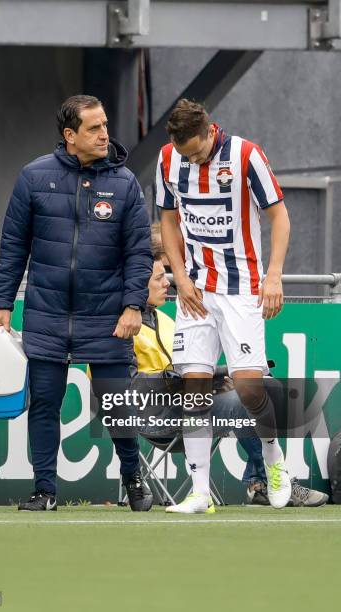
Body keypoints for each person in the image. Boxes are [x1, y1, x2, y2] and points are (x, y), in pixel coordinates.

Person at [0, 95, 153, 511]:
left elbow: (138, 252)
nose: (104, 134)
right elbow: (13, 245)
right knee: (44, 403)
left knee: (116, 404)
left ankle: (133, 478)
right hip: (46, 314)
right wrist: (3, 302)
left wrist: (134, 305)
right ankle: (44, 490)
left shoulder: (125, 183)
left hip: (108, 316)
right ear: (70, 135)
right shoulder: (33, 176)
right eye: (94, 128)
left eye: (105, 125)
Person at [157, 98, 292, 513]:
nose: (191, 160)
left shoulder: (246, 155)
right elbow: (167, 219)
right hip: (195, 290)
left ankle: (273, 460)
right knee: (193, 386)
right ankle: (199, 492)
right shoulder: (167, 159)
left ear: (210, 131)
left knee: (249, 387)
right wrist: (179, 277)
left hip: (242, 288)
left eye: (196, 152)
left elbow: (280, 217)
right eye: (184, 154)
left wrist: (273, 277)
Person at [136, 230, 328, 509]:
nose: (169, 283)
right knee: (242, 400)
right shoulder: (125, 326)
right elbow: (129, 385)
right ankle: (261, 481)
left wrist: (215, 380)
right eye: (160, 277)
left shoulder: (166, 319)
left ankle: (266, 477)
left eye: (167, 276)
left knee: (255, 386)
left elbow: (184, 372)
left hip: (185, 402)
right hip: (156, 415)